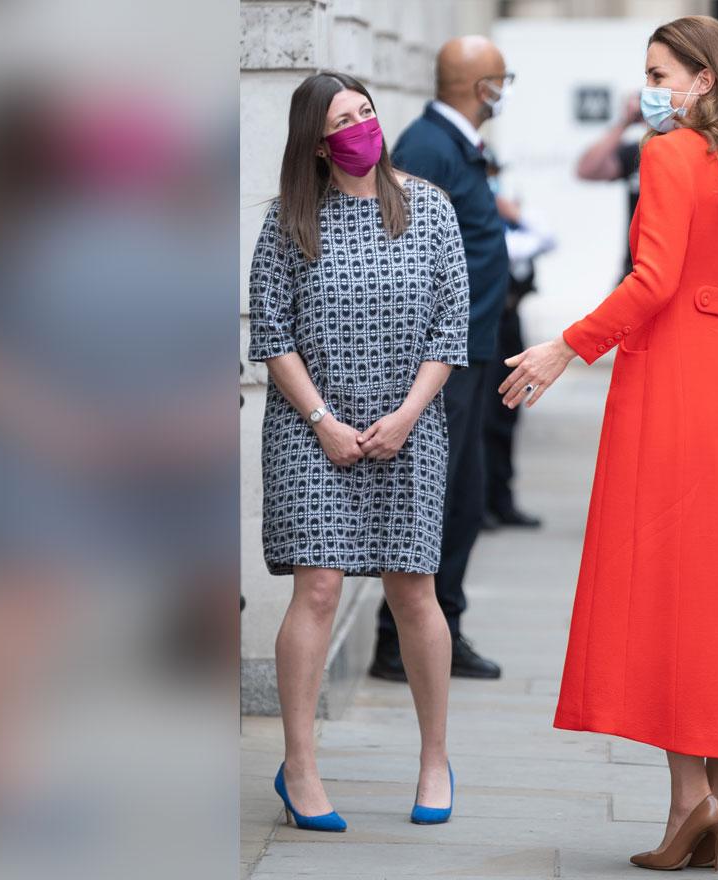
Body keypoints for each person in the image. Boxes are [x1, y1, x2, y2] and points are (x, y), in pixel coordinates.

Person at [498, 16, 718, 871]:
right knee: (711, 597)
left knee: (663, 594)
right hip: (713, 392)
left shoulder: (669, 157)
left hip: (663, 384)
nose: (650, 86)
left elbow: (653, 279)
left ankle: (689, 804)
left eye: (660, 71)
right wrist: (716, 383)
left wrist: (567, 345)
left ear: (704, 80)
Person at [247, 72, 468, 831]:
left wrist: (407, 414)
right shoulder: (287, 223)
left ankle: (434, 758)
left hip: (409, 426)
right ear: (316, 141)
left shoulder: (430, 209)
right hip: (313, 431)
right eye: (344, 120)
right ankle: (300, 769)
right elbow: (270, 334)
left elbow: (450, 329)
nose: (361, 128)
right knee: (317, 589)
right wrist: (322, 421)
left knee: (415, 590)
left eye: (367, 113)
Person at [368, 35, 513, 683]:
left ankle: (441, 629)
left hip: (473, 350)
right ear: (484, 89)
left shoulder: (454, 146)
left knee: (465, 495)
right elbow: (402, 252)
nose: (505, 92)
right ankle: (400, 643)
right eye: (502, 81)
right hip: (445, 358)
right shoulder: (427, 148)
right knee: (438, 497)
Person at [484, 150, 555, 529]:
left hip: (509, 322)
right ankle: (482, 505)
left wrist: (514, 213)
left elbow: (547, 237)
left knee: (508, 411)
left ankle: (503, 499)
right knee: (486, 416)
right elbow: (511, 250)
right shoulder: (482, 221)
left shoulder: (511, 218)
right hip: (487, 324)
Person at [575, 94, 647, 281]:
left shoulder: (684, 151)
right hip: (633, 269)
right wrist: (625, 122)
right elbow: (586, 169)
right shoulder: (638, 152)